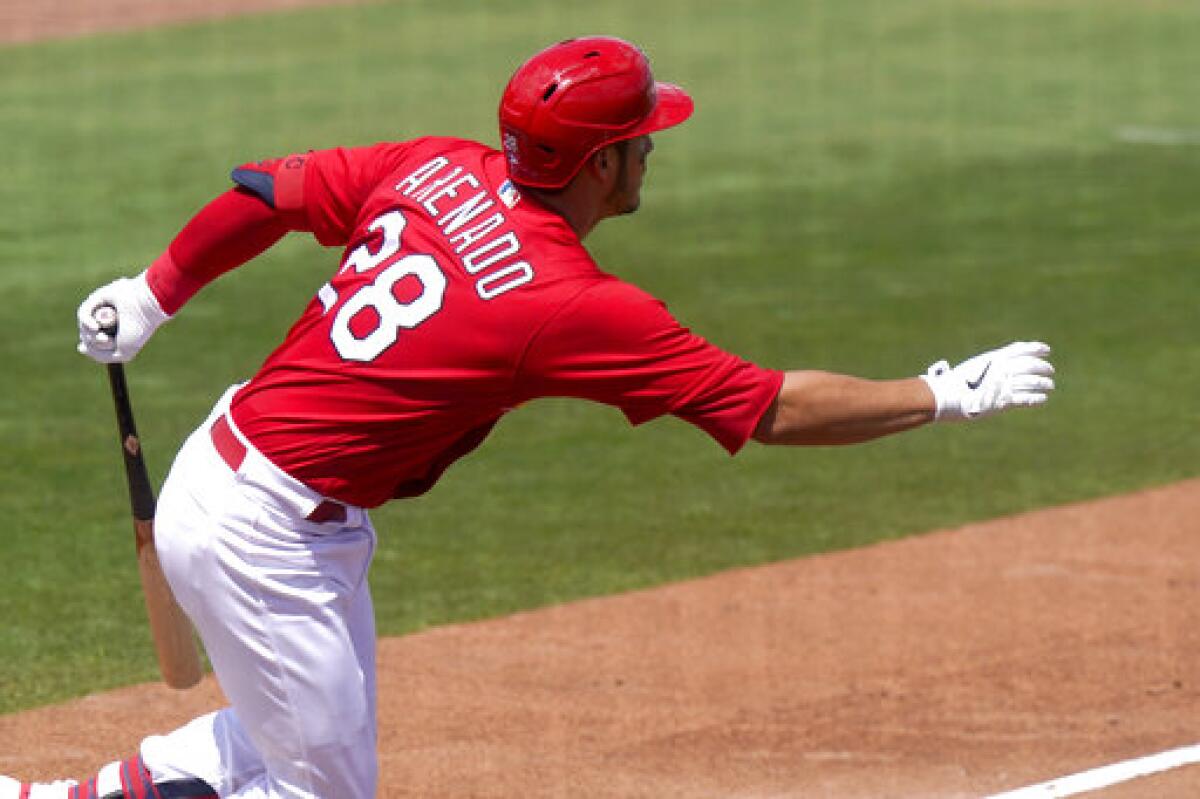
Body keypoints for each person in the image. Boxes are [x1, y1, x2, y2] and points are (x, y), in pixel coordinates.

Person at [3, 35, 1054, 799]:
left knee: (299, 751)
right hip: (262, 534)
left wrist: (152, 293)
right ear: (601, 164)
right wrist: (946, 393)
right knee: (321, 792)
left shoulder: (435, 165)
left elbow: (265, 191)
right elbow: (765, 406)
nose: (653, 153)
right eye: (642, 139)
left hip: (241, 479)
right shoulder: (568, 303)